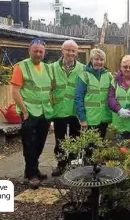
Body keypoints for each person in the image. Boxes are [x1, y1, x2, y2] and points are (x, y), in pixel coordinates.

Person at [11, 38, 53, 189]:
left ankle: (31, 170)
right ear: (29, 51)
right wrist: (24, 111)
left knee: (40, 143)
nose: (38, 54)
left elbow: (51, 88)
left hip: (44, 112)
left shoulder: (48, 68)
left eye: (41, 51)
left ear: (44, 53)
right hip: (29, 112)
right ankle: (33, 175)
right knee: (29, 143)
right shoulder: (20, 67)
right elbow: (15, 92)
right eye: (35, 51)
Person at [50, 40, 85, 177]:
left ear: (77, 53)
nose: (70, 53)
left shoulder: (82, 68)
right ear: (62, 51)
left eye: (73, 51)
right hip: (59, 110)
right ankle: (61, 164)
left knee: (76, 138)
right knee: (60, 139)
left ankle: (74, 165)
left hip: (75, 111)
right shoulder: (52, 67)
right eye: (68, 50)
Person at [75, 48, 113, 138]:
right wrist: (82, 118)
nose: (99, 62)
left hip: (104, 119)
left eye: (101, 60)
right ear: (91, 60)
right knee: (89, 148)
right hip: (90, 120)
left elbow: (113, 96)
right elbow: (78, 98)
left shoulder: (108, 76)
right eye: (96, 59)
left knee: (101, 147)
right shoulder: (84, 75)